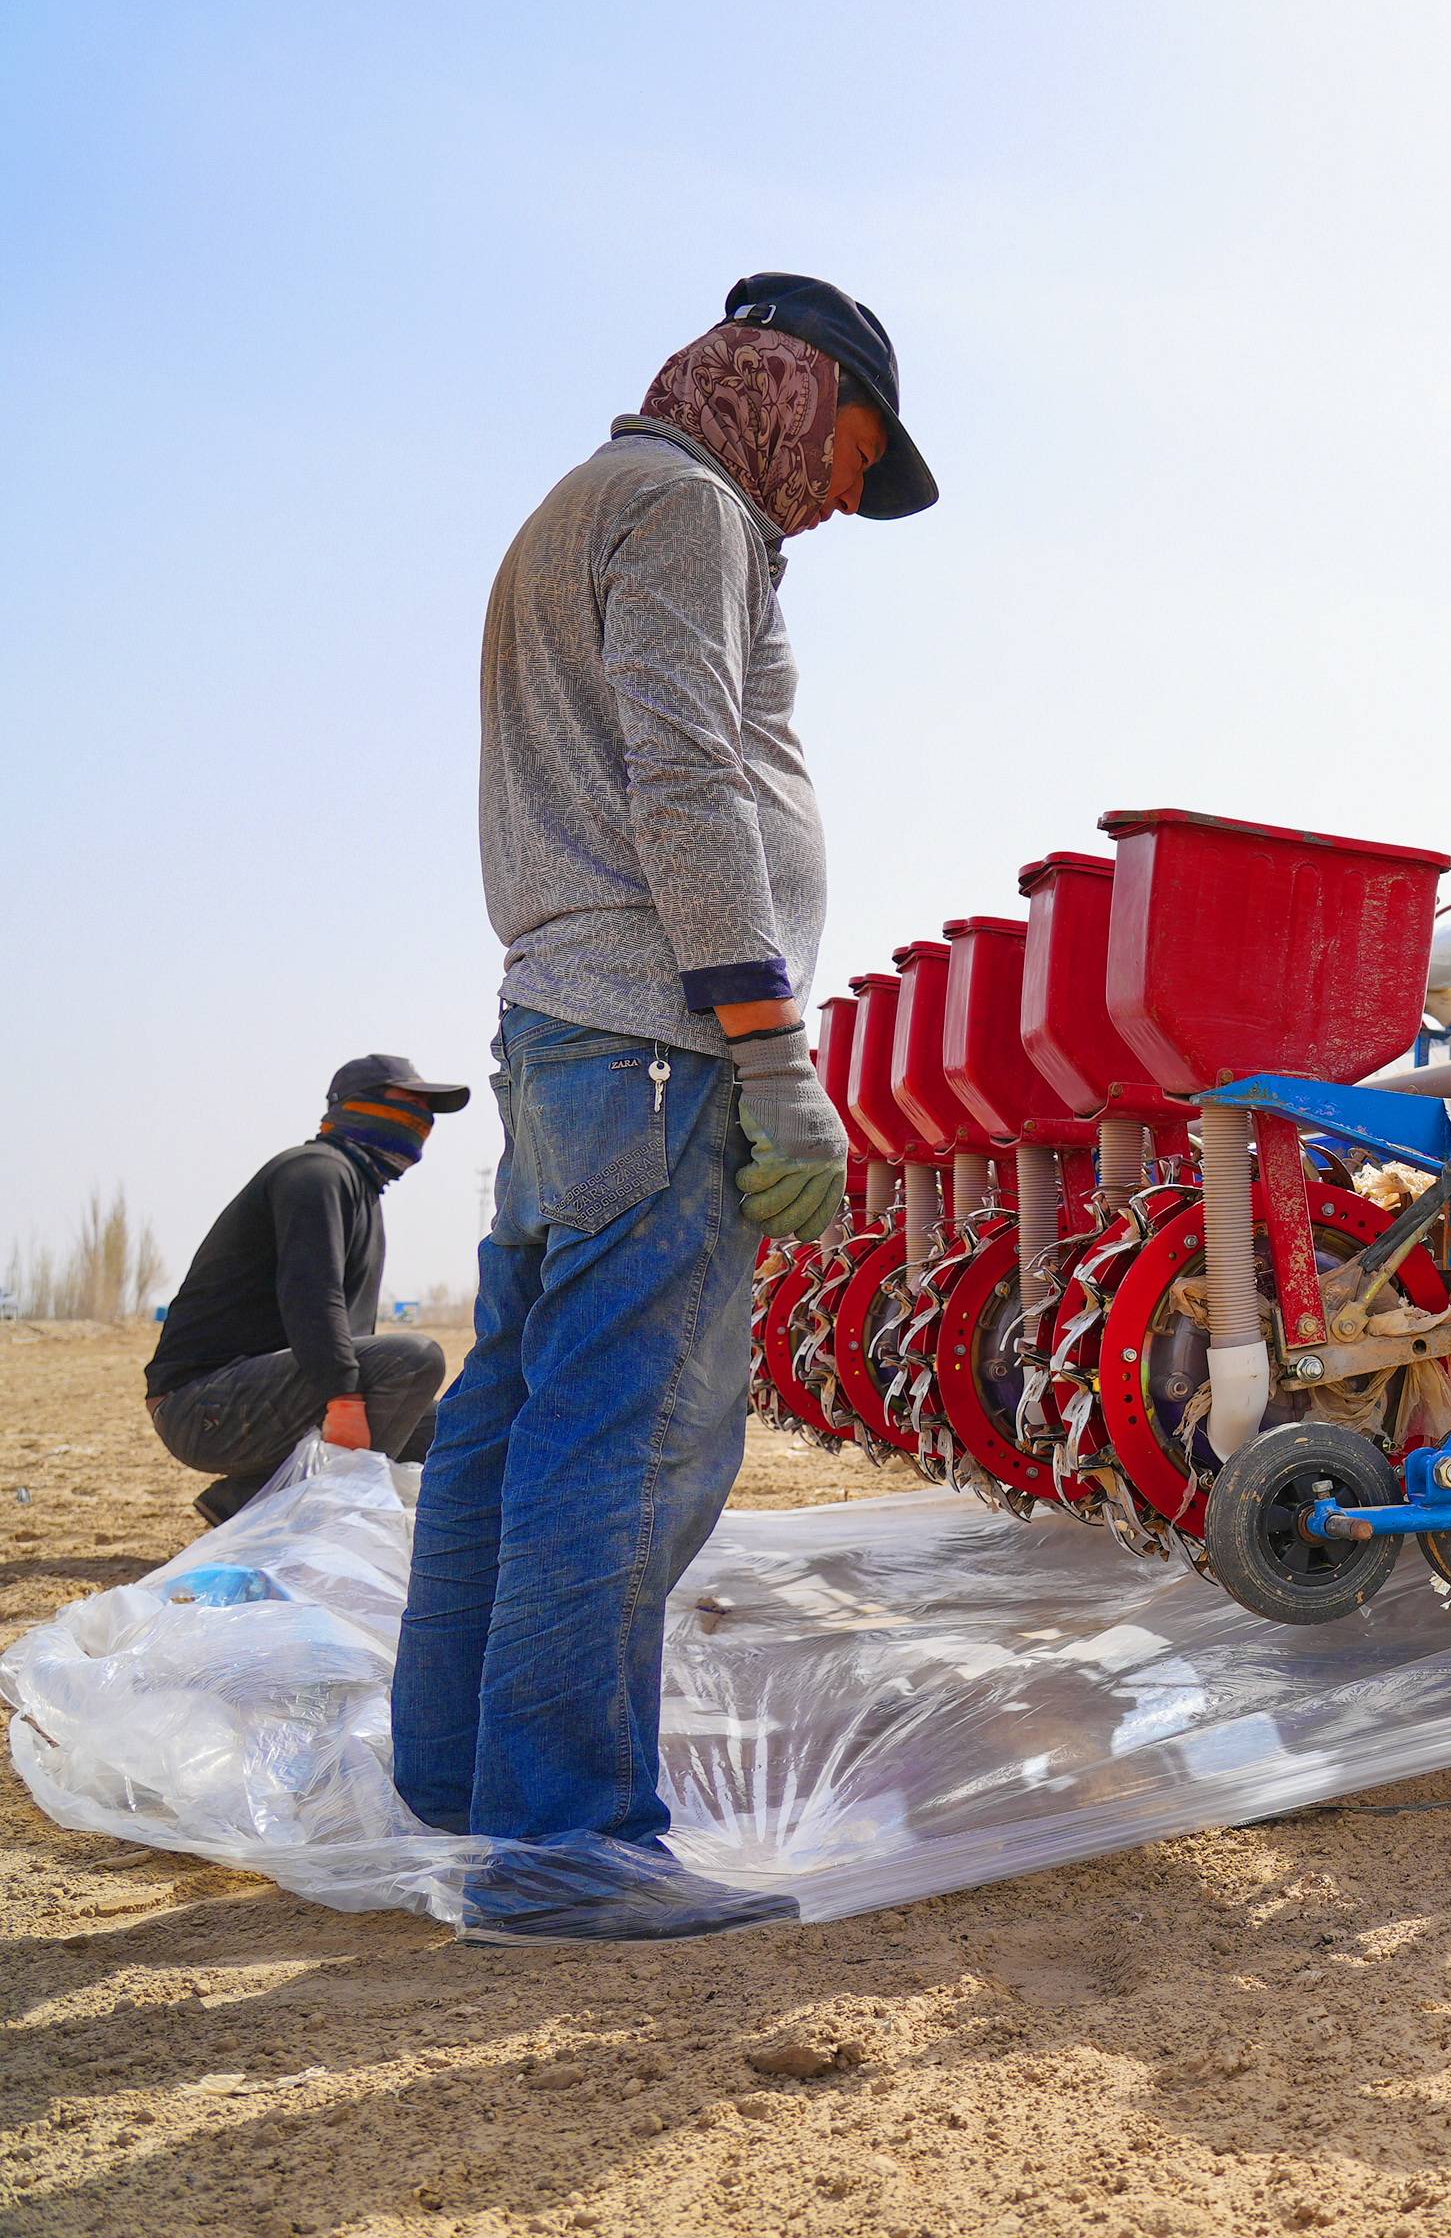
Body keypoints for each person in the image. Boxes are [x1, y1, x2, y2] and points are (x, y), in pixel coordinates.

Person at [389, 273, 935, 1942]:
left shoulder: (581, 506)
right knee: (625, 1433)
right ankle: (566, 1846)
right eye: (857, 445)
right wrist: (774, 1054)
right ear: (790, 383)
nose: (849, 489)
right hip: (659, 1039)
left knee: (514, 1410)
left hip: (569, 1034)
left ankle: (463, 1783)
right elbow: (687, 779)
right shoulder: (685, 509)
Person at [144, 1056, 469, 1525]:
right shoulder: (316, 1174)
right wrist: (343, 1399)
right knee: (413, 1358)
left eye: (427, 1109)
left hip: (260, 1395)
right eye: (409, 1103)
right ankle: (293, 1516)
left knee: (450, 1435)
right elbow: (312, 1298)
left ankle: (250, 1497)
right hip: (202, 1406)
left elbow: (352, 1337)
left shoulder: (360, 1191)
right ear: (356, 1106)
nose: (422, 1119)